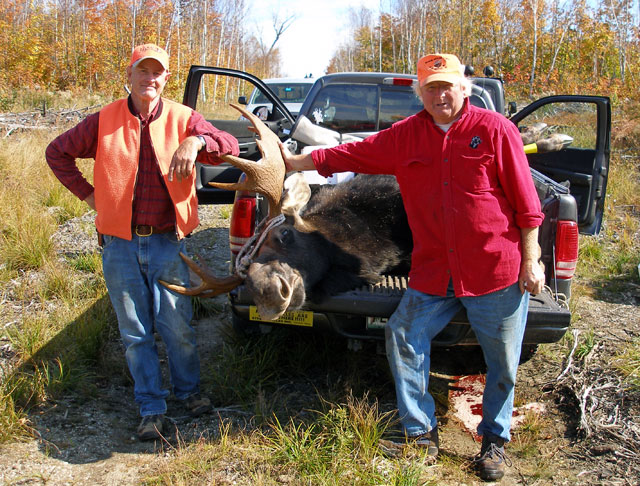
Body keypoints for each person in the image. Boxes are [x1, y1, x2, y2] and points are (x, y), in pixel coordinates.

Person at [280, 53, 545, 481]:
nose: (440, 94)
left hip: (495, 269)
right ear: (419, 92)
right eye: (431, 87)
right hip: (435, 271)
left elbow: (527, 204)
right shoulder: (405, 136)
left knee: (502, 361)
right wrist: (296, 163)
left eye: (447, 85)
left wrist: (532, 258)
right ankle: (420, 434)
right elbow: (353, 153)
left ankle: (494, 442)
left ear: (465, 87)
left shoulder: (496, 131)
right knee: (403, 334)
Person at [46, 43, 240, 441]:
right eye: (142, 71)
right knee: (134, 331)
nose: (149, 78)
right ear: (129, 76)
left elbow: (230, 145)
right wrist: (89, 197)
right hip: (120, 244)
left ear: (166, 79)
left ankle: (189, 393)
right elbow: (57, 153)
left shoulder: (185, 119)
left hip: (168, 242)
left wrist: (197, 142)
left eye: (157, 73)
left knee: (177, 325)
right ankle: (151, 407)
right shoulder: (104, 120)